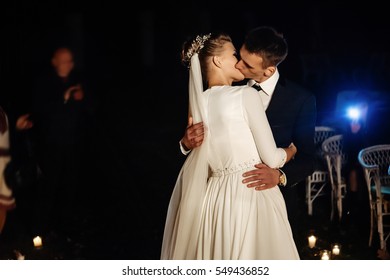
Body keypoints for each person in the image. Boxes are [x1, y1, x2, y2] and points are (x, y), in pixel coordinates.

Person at [161, 32, 299, 260]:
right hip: (250, 190)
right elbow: (273, 160)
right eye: (234, 54)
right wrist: (291, 150)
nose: (239, 62)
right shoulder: (246, 94)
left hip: (214, 199)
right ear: (217, 61)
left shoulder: (197, 104)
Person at [180, 26, 317, 238]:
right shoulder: (232, 91)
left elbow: (309, 157)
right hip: (226, 200)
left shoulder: (300, 99)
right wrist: (186, 144)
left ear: (268, 70)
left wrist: (280, 176)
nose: (238, 64)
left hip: (272, 200)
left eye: (246, 64)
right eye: (238, 56)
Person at [30, 46, 93, 241]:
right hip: (52, 145)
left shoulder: (77, 80)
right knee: (49, 186)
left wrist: (82, 99)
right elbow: (41, 111)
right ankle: (41, 227)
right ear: (55, 62)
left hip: (73, 144)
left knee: (70, 185)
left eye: (71, 61)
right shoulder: (44, 83)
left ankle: (65, 226)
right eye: (65, 61)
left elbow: (90, 108)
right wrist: (64, 99)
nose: (69, 64)